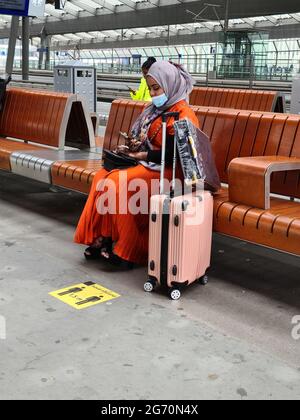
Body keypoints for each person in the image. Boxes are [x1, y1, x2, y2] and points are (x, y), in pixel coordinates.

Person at [74, 61, 199, 268]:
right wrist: (133, 151)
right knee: (100, 177)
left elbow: (176, 155)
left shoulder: (183, 115)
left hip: (171, 172)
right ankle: (103, 235)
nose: (152, 93)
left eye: (156, 88)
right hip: (151, 166)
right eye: (150, 88)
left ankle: (130, 250)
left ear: (171, 84)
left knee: (116, 183)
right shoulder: (155, 110)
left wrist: (141, 155)